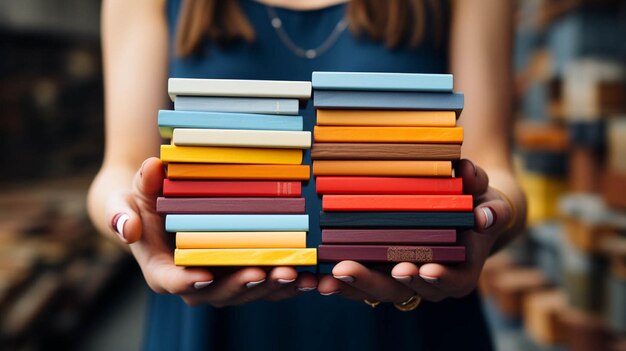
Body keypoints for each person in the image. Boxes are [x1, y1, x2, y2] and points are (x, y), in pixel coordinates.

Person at [88, 0, 527, 349]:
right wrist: (127, 218)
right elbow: (121, 168)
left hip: (412, 316)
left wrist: (490, 217)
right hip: (208, 322)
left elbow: (493, 166)